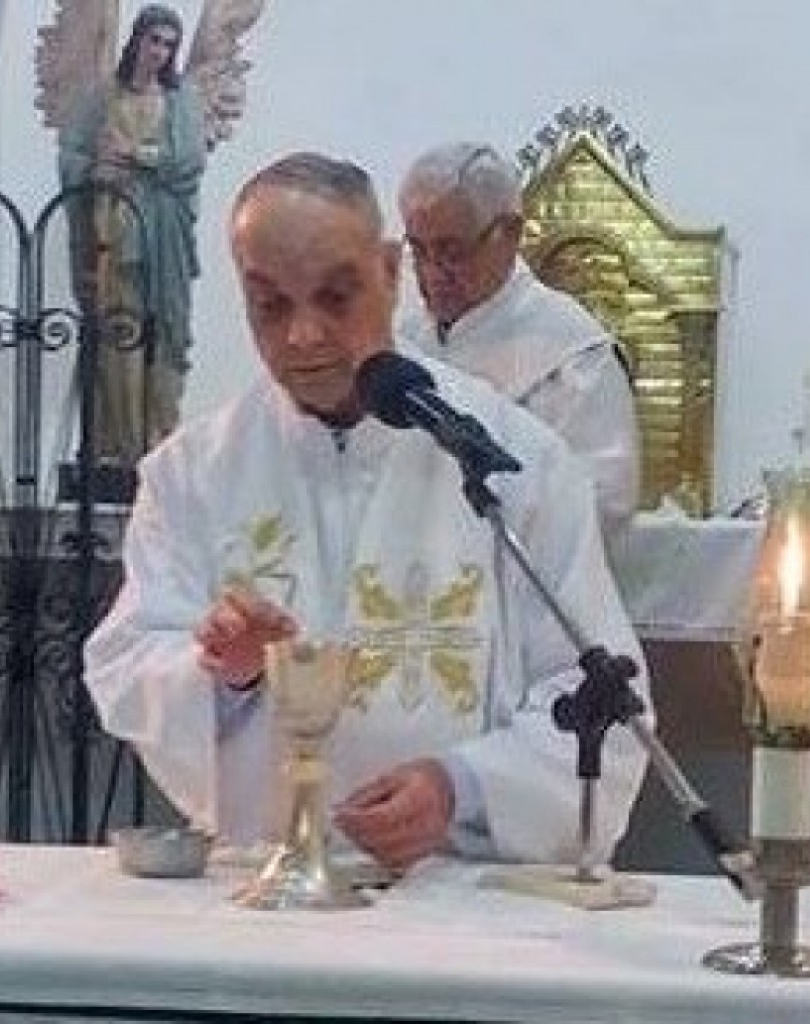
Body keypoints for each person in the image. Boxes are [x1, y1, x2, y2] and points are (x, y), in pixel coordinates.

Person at [82, 152, 651, 871]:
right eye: (270, 305)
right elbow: (128, 661)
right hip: (265, 886)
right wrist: (222, 671)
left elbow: (598, 696)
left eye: (335, 296)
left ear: (389, 272)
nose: (303, 335)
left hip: (458, 891)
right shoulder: (193, 474)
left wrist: (460, 788)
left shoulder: (515, 463)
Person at [397, 142, 641, 527]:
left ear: (509, 234)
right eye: (418, 251)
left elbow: (604, 502)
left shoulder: (574, 357)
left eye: (452, 252)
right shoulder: (407, 338)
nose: (431, 273)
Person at [58, 4, 205, 467]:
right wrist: (95, 170)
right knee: (116, 333)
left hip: (162, 236)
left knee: (164, 335)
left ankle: (158, 442)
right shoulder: (103, 96)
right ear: (137, 40)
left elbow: (189, 162)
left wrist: (137, 153)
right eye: (153, 40)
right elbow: (71, 155)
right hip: (113, 233)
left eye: (169, 45)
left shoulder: (180, 101)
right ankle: (117, 445)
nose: (159, 52)